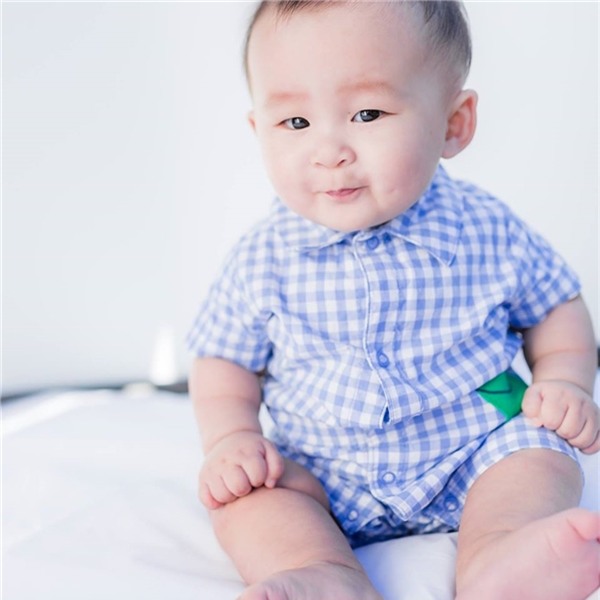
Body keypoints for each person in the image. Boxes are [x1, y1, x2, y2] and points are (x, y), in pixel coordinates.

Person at [187, 1, 600, 599]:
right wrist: (230, 439)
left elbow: (557, 306)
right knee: (249, 499)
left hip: (476, 440)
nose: (329, 150)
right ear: (259, 132)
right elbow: (223, 360)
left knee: (540, 452)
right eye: (296, 122)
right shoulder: (262, 258)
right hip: (326, 469)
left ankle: (499, 555)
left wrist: (564, 382)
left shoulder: (485, 228)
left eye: (367, 113)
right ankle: (323, 573)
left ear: (453, 123)